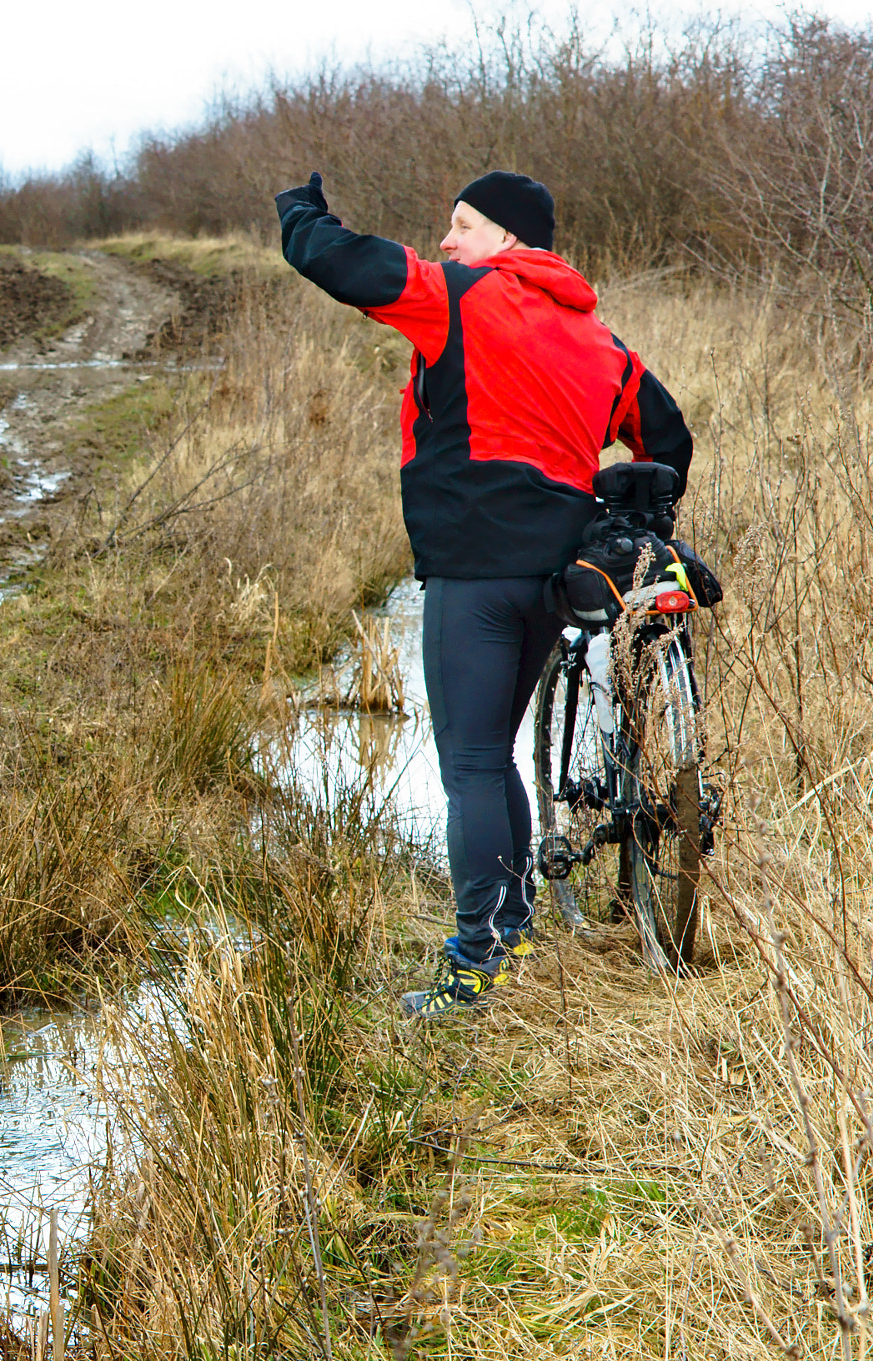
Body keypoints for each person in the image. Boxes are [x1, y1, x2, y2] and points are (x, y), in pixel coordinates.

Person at [271, 170, 695, 1018]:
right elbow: (667, 439)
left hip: (473, 570)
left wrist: (299, 211)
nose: (446, 241)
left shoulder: (462, 297)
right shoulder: (603, 342)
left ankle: (475, 966)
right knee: (490, 751)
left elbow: (344, 264)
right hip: (557, 578)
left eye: (461, 224)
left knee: (468, 763)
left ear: (508, 238)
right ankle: (513, 927)